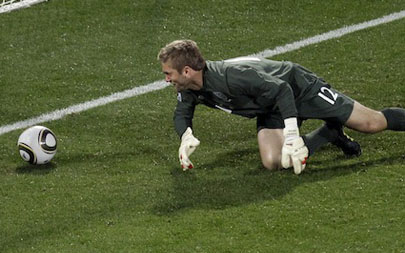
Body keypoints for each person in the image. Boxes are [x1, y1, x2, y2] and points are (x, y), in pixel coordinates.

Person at [157, 40, 405, 174]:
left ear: (187, 71)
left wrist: (292, 135)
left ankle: (331, 124)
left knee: (370, 123)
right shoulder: (189, 87)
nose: (166, 79)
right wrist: (185, 136)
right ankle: (329, 133)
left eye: (168, 73)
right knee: (275, 161)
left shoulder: (232, 76)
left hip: (297, 88)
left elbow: (282, 90)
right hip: (271, 106)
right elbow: (182, 113)